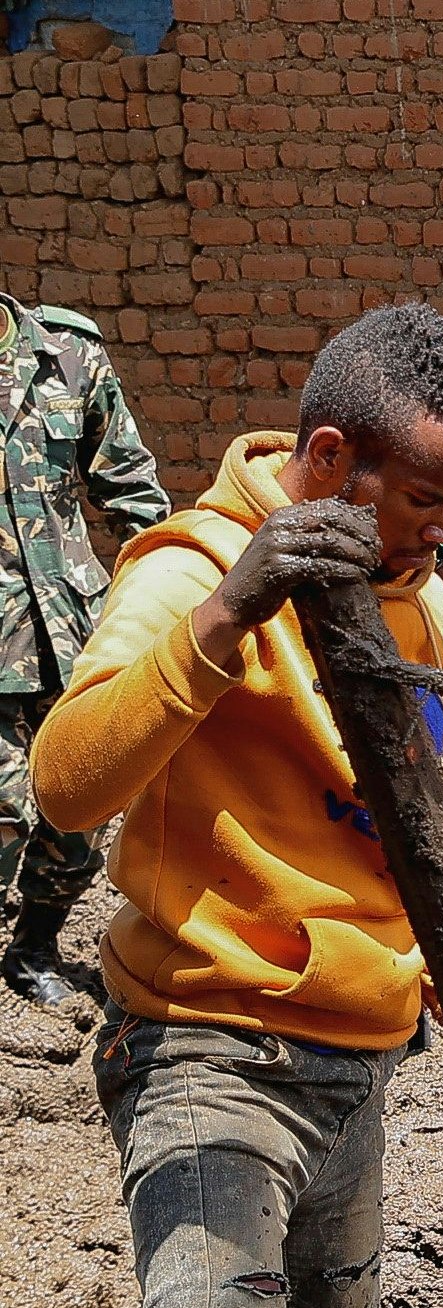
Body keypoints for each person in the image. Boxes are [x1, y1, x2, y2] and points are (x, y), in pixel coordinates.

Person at [31, 304, 443, 1308]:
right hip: (207, 1048)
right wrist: (233, 611)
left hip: (356, 1051)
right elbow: (67, 779)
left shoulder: (415, 586)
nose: (440, 534)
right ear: (325, 459)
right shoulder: (185, 571)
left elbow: (413, 816)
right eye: (423, 501)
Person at [0, 288, 169, 1006]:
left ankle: (34, 946)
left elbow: (131, 492)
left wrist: (162, 587)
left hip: (72, 636)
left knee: (82, 813)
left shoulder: (68, 355)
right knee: (6, 807)